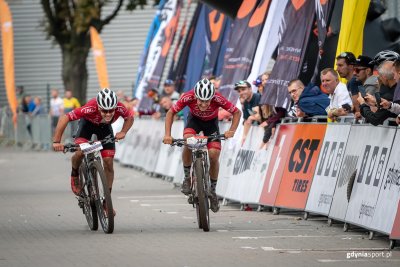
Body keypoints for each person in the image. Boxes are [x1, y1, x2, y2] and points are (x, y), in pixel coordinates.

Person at [163, 78, 241, 213]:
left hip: (211, 124)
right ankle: (187, 177)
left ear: (212, 97)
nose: (204, 104)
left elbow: (237, 112)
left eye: (207, 101)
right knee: (188, 140)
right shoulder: (188, 96)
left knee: (214, 155)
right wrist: (167, 134)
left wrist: (232, 131)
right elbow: (171, 112)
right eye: (200, 100)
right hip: (194, 122)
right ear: (195, 96)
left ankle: (212, 191)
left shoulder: (218, 98)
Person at [52, 88, 134, 215]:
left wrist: (123, 132)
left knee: (108, 162)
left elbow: (129, 118)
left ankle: (107, 201)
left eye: (111, 111)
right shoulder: (90, 107)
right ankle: (75, 175)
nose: (108, 114)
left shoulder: (119, 107)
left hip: (105, 129)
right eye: (104, 111)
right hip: (87, 126)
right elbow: (65, 118)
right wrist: (57, 141)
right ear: (98, 107)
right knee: (79, 152)